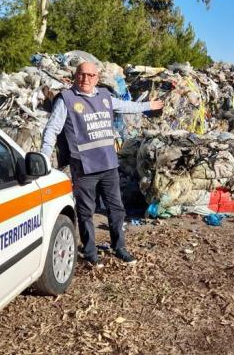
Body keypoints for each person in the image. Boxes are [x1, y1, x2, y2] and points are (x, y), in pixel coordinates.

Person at [41, 62, 164, 266]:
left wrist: (147, 106)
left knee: (116, 208)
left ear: (97, 78)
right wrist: (44, 156)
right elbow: (52, 129)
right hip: (83, 167)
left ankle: (120, 247)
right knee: (86, 211)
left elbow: (126, 107)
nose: (86, 79)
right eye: (82, 75)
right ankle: (90, 253)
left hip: (108, 164)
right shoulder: (67, 99)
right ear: (75, 76)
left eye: (90, 75)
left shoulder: (105, 96)